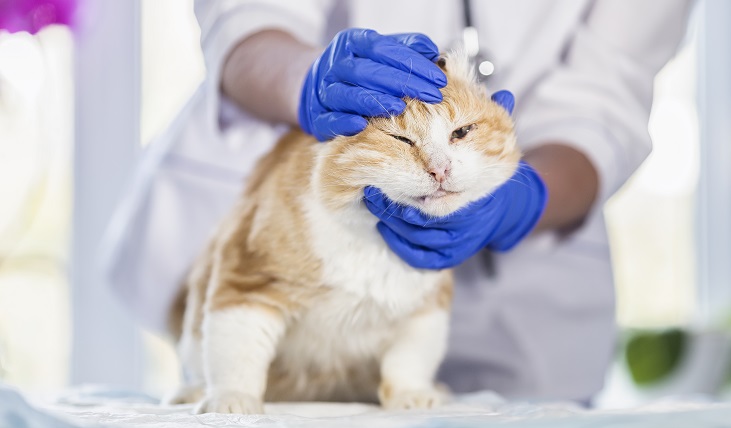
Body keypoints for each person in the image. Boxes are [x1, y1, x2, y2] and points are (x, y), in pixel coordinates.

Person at [104, 0, 693, 403]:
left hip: (527, 310)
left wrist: (524, 200)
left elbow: (604, 100)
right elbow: (248, 17)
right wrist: (307, 81)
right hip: (295, 241)